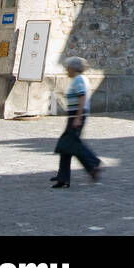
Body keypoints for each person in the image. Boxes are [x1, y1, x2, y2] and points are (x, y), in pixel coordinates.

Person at [51, 57, 102, 188]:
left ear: (73, 68)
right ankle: (63, 177)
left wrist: (78, 118)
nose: (66, 69)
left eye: (67, 67)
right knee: (66, 146)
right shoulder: (78, 79)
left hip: (76, 115)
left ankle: (93, 163)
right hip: (74, 115)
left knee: (70, 144)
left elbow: (82, 98)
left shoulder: (79, 79)